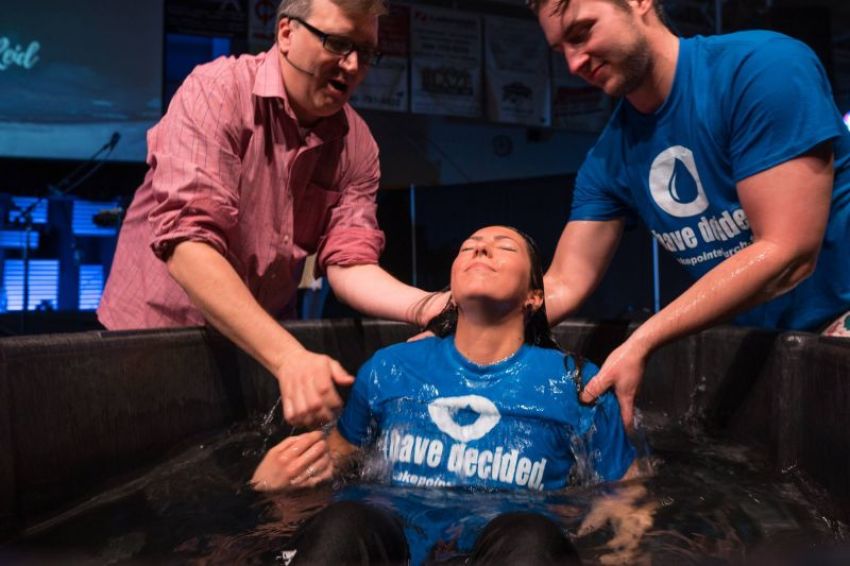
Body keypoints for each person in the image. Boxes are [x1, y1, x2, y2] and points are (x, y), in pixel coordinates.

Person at [97, 0, 444, 428]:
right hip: (155, 339)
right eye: (338, 43)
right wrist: (288, 357)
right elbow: (189, 245)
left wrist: (428, 305)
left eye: (366, 51)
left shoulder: (358, 145)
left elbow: (350, 262)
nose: (354, 66)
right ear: (286, 33)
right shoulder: (217, 91)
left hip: (260, 348)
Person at [530, 0, 850, 428]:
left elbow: (788, 253)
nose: (573, 63)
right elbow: (563, 282)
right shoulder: (609, 159)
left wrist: (644, 339)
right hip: (770, 349)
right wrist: (456, 323)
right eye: (561, 50)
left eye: (582, 33)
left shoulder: (762, 69)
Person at [252, 226, 637, 565]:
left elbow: (629, 495)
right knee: (346, 520)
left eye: (504, 247)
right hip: (392, 546)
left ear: (534, 297)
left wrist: (623, 549)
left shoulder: (574, 382)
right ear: (451, 288)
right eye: (469, 246)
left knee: (530, 534)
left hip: (508, 550)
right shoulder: (390, 369)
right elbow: (335, 460)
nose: (481, 249)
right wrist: (274, 486)